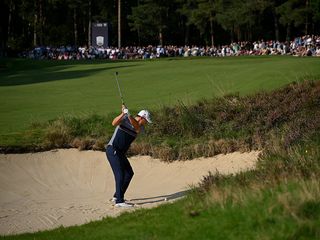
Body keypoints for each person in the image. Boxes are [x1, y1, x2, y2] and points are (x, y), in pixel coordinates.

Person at [106, 105, 152, 208]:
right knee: (120, 175)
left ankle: (116, 196)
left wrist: (129, 114)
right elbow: (113, 123)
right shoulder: (125, 119)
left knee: (129, 173)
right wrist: (123, 114)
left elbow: (136, 126)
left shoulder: (140, 128)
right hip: (113, 150)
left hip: (120, 153)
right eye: (146, 121)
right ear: (142, 117)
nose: (146, 124)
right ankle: (119, 201)